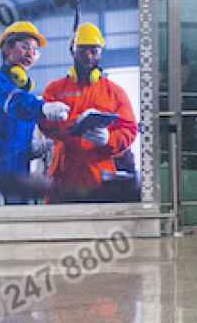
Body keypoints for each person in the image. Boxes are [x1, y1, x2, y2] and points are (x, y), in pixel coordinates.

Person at [40, 23, 138, 202]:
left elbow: (129, 129)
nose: (88, 56)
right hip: (63, 178)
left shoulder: (114, 92)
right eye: (82, 50)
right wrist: (69, 125)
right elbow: (44, 124)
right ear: (72, 50)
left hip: (99, 178)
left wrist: (109, 139)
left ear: (101, 52)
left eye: (94, 50)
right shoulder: (55, 89)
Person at [0, 21, 69, 203]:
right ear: (7, 49)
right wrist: (42, 107)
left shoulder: (23, 92)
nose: (31, 53)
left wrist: (33, 148)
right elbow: (14, 103)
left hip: (19, 176)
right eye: (25, 47)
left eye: (35, 50)